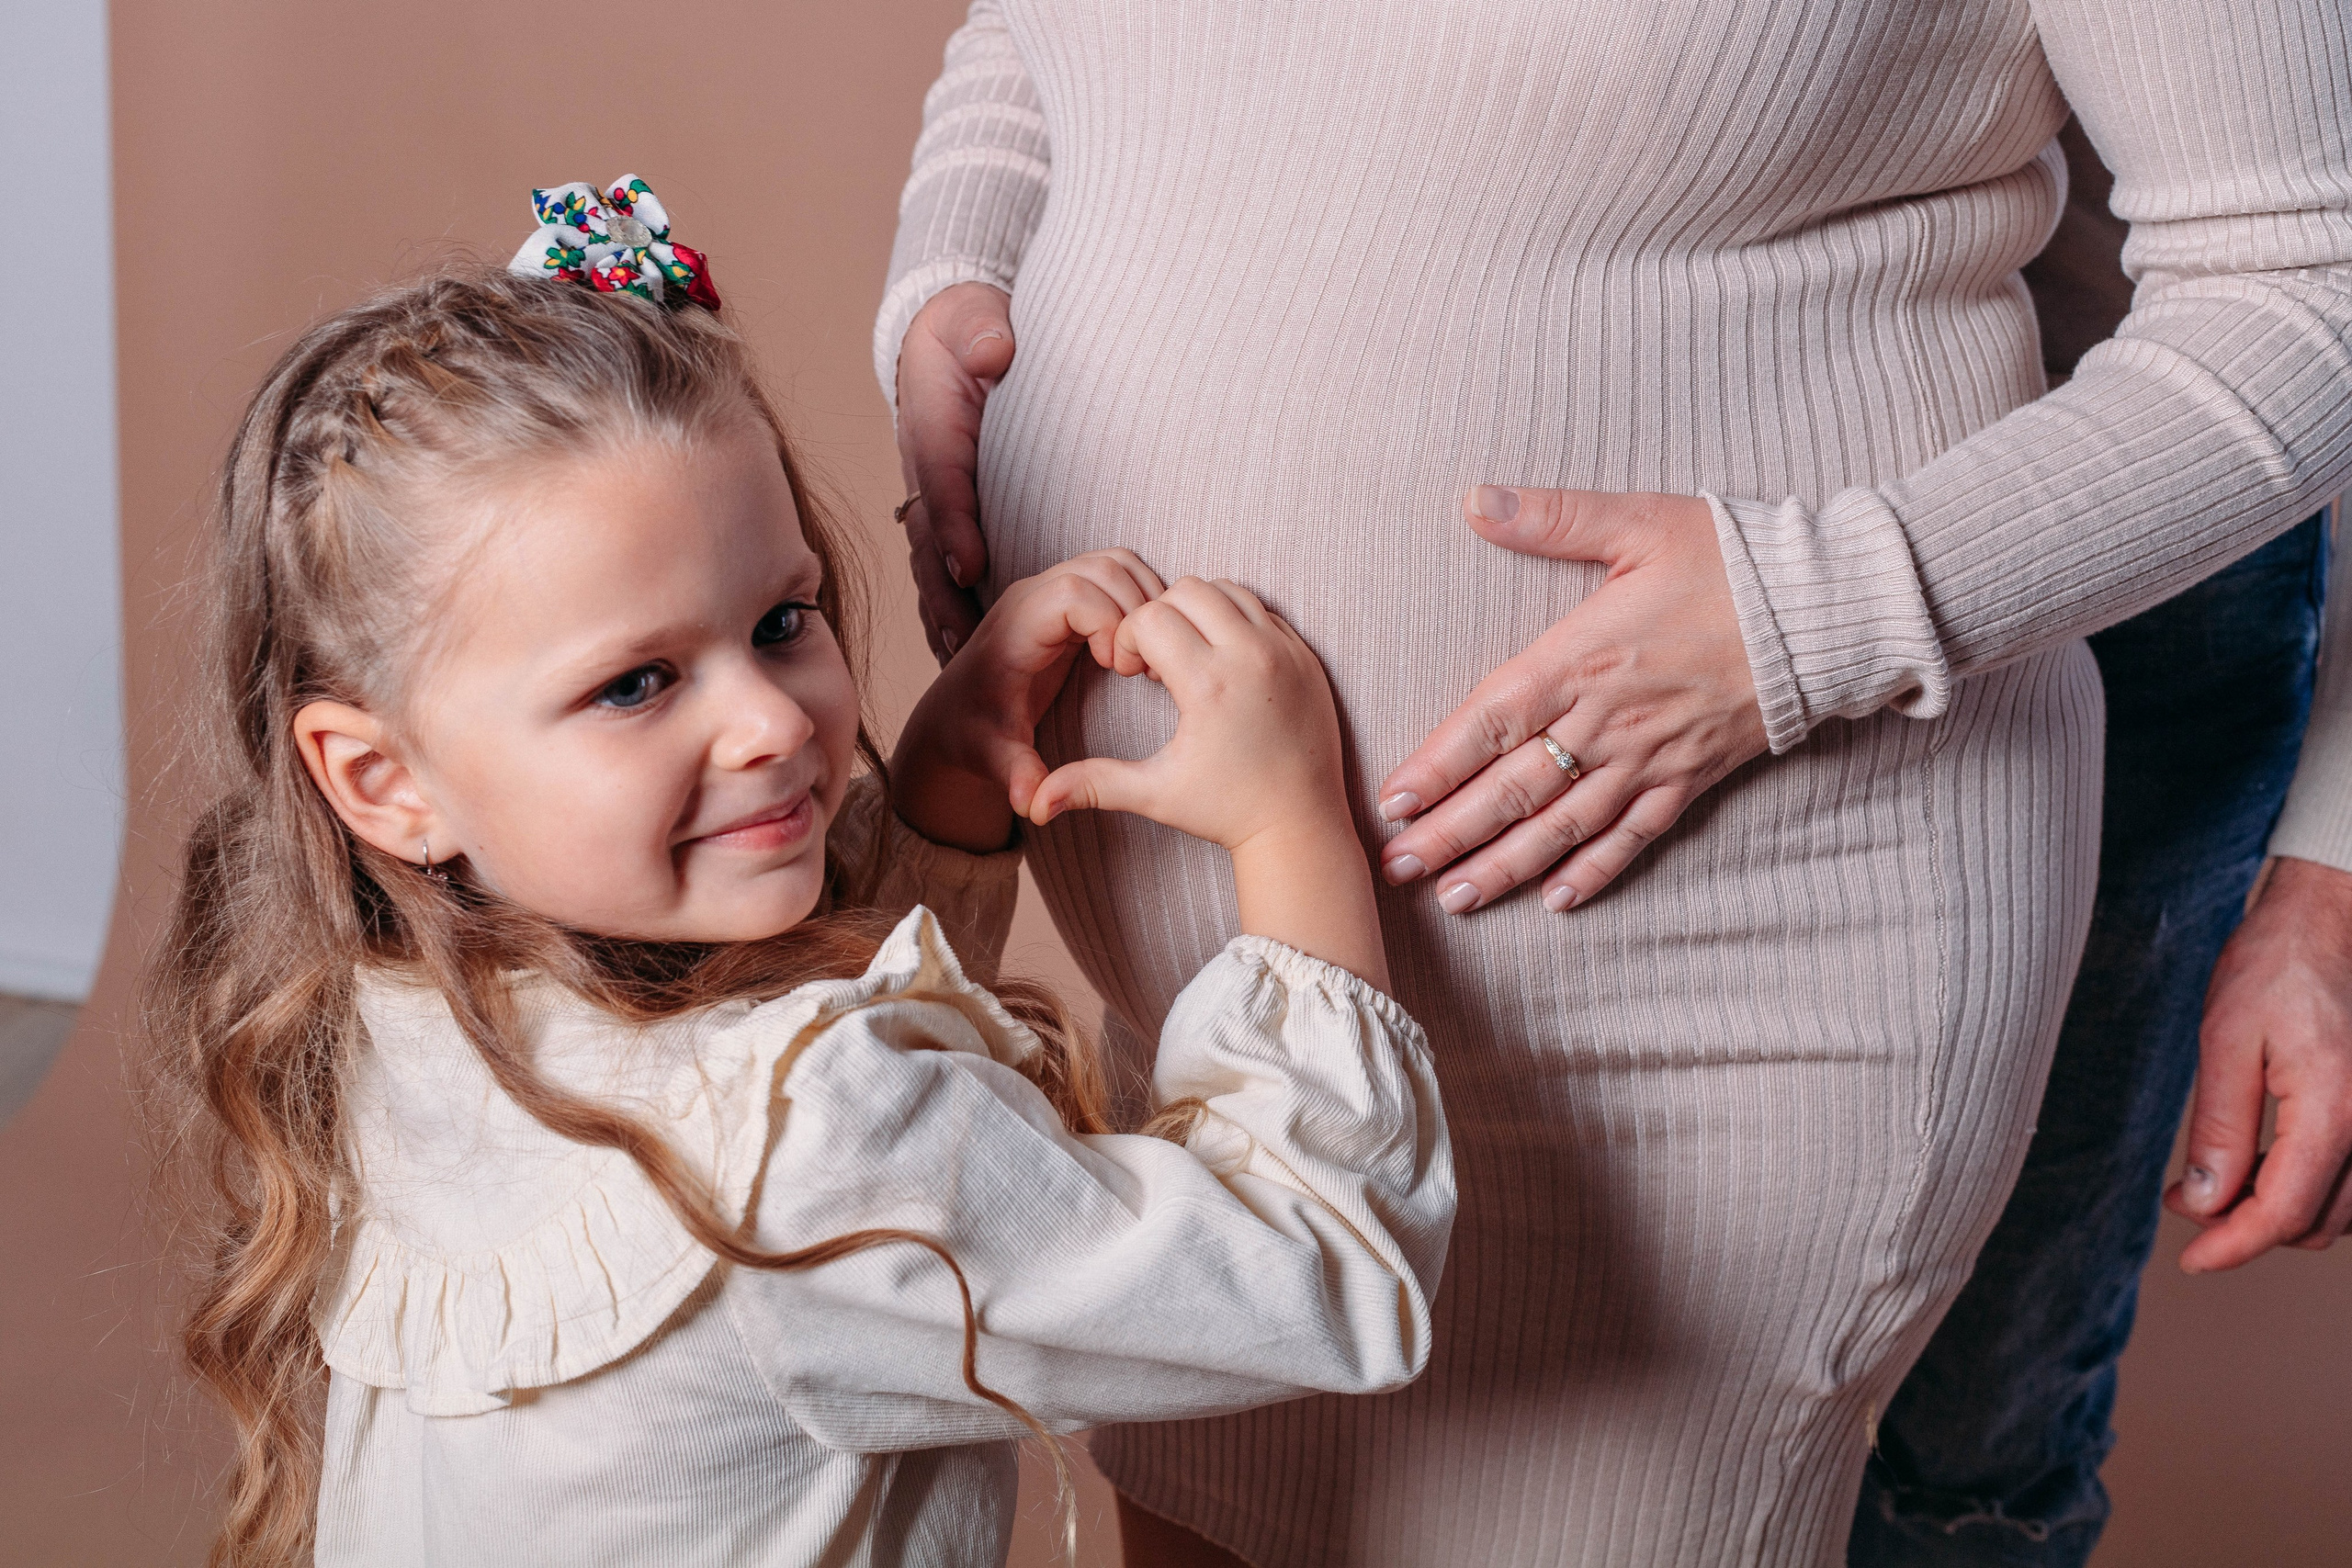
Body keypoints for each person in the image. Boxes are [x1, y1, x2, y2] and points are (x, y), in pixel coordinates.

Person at [879, 5, 2352, 1564]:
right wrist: (956, 259)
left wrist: (1817, 609)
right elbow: (1045, 42)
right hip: (1215, 988)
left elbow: (2308, 271)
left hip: (1706, 984)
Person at [151, 182, 1454, 1568]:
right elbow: (1317, 1277)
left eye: (783, 620)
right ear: (383, 781)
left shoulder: (402, 1017)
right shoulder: (814, 1148)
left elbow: (741, 1028)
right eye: (636, 683)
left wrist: (943, 798)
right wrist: (1289, 826)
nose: (773, 721)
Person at [1847, 120, 2352, 1566]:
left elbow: (2322, 281)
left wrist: (2330, 891)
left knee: (1978, 1446)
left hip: (2157, 574)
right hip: (1629, 548)